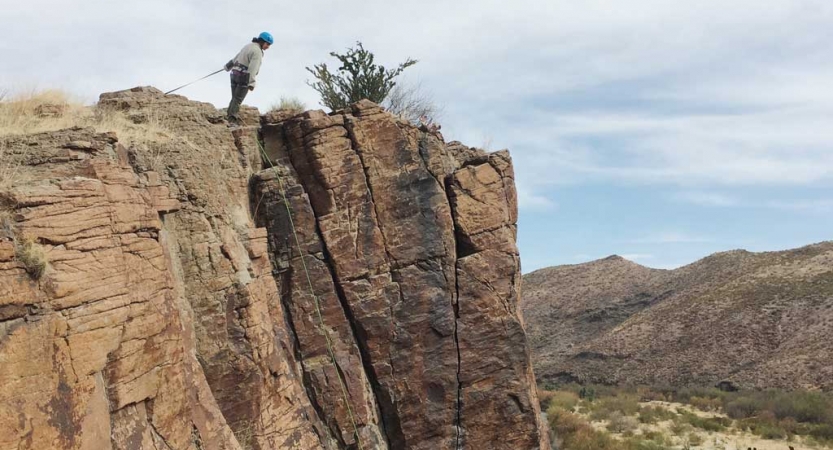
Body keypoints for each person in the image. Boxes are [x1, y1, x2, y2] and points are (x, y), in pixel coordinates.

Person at [224, 32, 273, 125]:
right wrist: (251, 83)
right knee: (238, 99)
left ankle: (229, 117)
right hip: (243, 77)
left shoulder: (248, 46)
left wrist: (227, 66)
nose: (268, 47)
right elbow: (253, 68)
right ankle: (231, 121)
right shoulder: (258, 52)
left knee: (234, 98)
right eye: (267, 44)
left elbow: (236, 58)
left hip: (234, 74)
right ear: (262, 41)